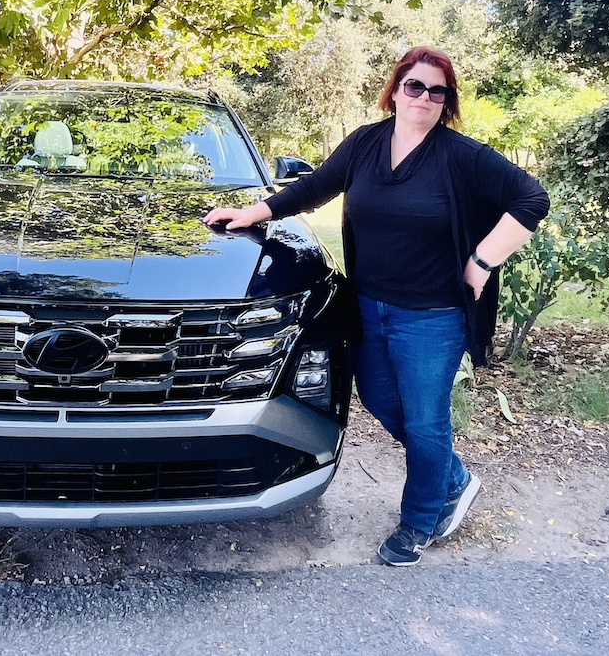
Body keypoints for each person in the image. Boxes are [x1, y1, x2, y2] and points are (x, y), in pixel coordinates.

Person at [203, 46, 549, 567]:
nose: (425, 97)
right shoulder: (366, 143)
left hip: (433, 317)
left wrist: (482, 260)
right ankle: (454, 479)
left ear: (447, 101)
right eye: (415, 85)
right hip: (368, 307)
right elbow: (316, 187)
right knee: (381, 401)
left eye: (438, 91)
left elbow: (532, 199)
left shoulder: (461, 156)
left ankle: (420, 522)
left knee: (426, 422)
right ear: (396, 90)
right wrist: (252, 213)